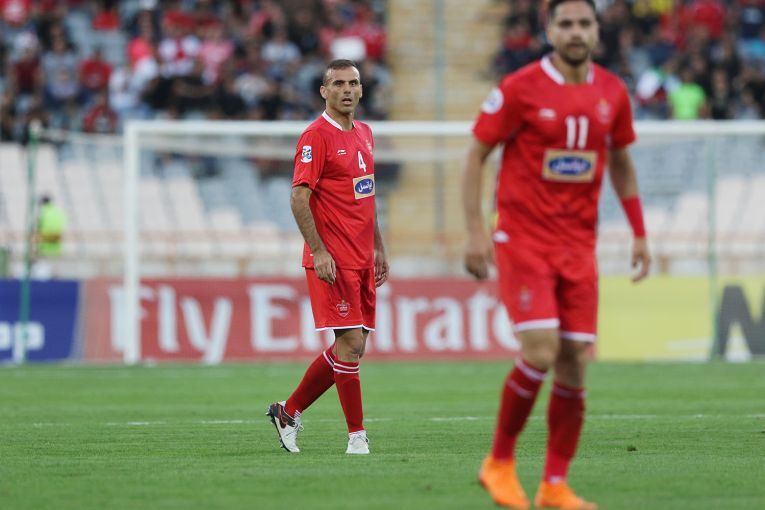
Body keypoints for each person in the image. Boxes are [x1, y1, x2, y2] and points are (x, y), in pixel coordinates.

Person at [462, 1, 651, 509]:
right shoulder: (519, 88)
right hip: (523, 239)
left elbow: (621, 161)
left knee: (574, 364)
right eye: (565, 24)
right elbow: (476, 154)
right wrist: (476, 232)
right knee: (541, 351)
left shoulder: (612, 91)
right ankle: (499, 462)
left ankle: (554, 485)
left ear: (597, 30)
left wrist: (639, 231)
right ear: (549, 31)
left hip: (578, 245)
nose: (575, 32)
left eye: (584, 23)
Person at [267, 59, 389, 455]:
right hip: (332, 260)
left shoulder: (365, 133)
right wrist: (318, 251)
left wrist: (378, 246)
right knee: (350, 344)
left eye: (353, 83)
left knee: (352, 348)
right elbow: (298, 198)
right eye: (338, 84)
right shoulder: (315, 136)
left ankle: (287, 412)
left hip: (362, 257)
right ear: (324, 91)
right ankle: (357, 436)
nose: (347, 90)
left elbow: (366, 194)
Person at [34, 194, 67, 279]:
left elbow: (39, 231)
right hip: (56, 248)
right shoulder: (58, 212)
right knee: (56, 275)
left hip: (45, 249)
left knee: (43, 276)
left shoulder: (43, 213)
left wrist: (37, 247)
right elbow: (62, 229)